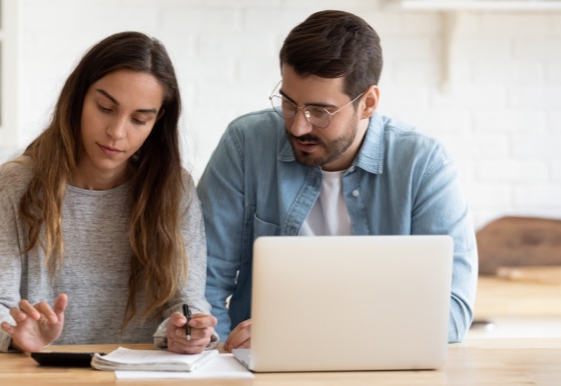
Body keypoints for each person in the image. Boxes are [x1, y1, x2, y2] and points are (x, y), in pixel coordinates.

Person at [197, 10, 478, 350]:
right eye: (288, 103)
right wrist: (218, 353)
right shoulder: (246, 144)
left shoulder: (424, 164)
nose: (298, 126)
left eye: (320, 111)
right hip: (260, 369)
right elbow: (203, 282)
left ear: (368, 103)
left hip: (379, 369)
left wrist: (299, 333)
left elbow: (453, 314)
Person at [0, 31, 217, 354]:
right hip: (45, 376)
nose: (116, 132)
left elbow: (186, 300)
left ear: (157, 122)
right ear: (78, 98)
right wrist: (18, 336)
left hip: (143, 376)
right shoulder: (17, 183)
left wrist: (188, 328)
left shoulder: (174, 189)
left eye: (139, 119)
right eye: (105, 107)